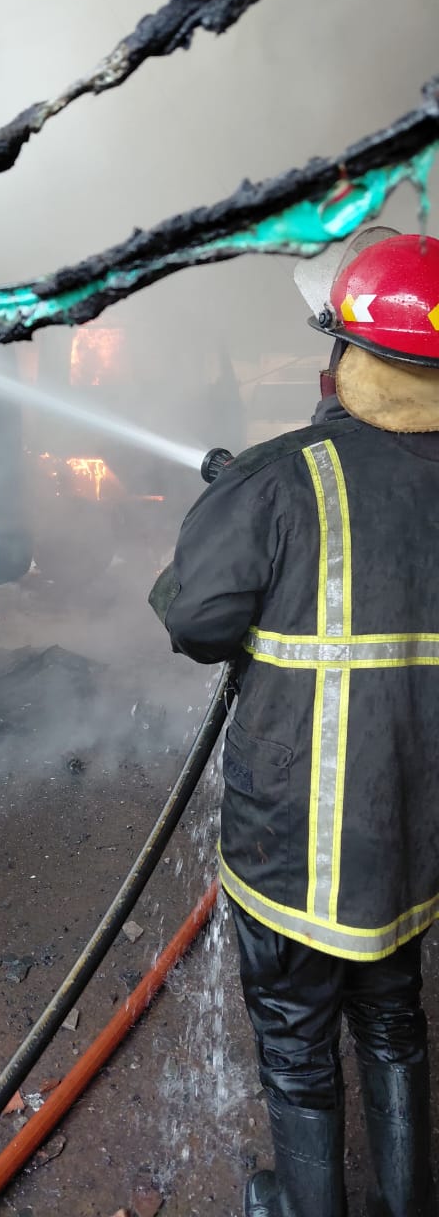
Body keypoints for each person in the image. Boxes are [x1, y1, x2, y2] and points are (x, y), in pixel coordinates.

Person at [152, 232, 439, 1217]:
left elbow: (194, 619)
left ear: (341, 359)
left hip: (297, 844)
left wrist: (242, 512)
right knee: (395, 1019)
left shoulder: (282, 476)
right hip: (414, 839)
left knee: (296, 1037)